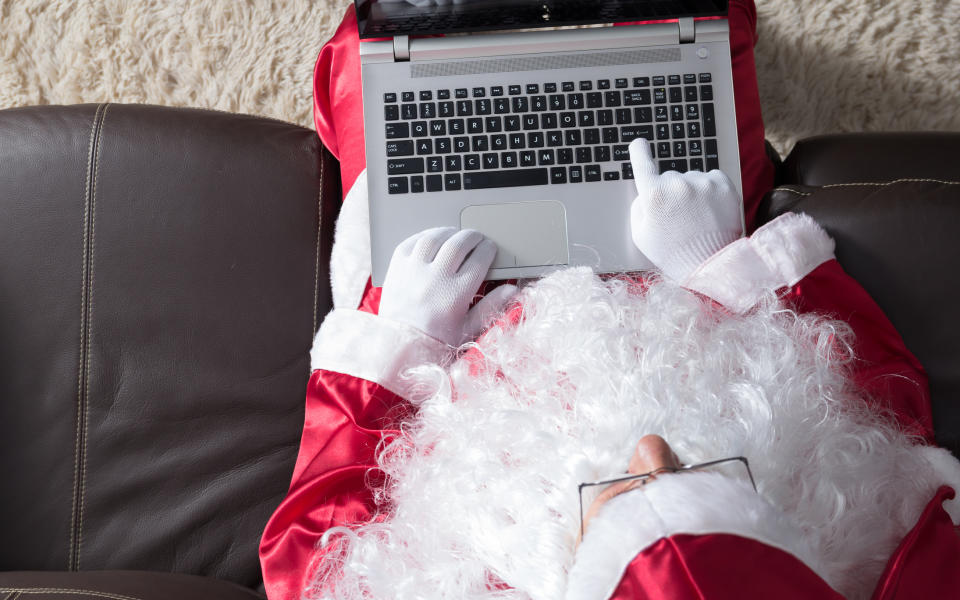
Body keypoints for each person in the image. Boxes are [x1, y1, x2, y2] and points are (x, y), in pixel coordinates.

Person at [260, 2, 960, 598]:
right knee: (688, 29)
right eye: (703, 476)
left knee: (389, 52)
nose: (652, 449)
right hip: (686, 262)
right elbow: (886, 413)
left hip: (450, 312)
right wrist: (719, 260)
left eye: (624, 492)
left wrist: (402, 345)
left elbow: (311, 561)